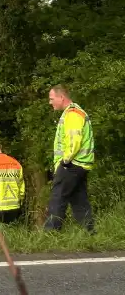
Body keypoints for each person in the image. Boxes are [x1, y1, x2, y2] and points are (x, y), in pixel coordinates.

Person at [44, 86, 95, 232]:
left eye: (52, 98)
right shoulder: (75, 112)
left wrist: (65, 162)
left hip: (71, 165)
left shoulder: (72, 114)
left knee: (57, 198)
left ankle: (50, 234)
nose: (50, 102)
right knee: (80, 202)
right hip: (81, 165)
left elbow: (74, 140)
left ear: (62, 98)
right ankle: (89, 233)